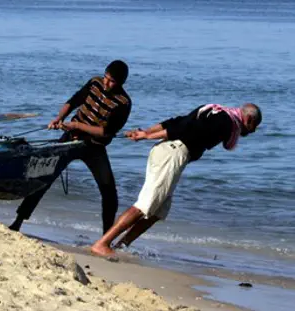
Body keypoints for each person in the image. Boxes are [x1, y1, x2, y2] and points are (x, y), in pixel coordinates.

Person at [90, 103, 262, 258]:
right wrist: (146, 136)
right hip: (173, 153)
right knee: (145, 205)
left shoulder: (215, 111)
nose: (253, 132)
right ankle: (102, 244)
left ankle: (121, 245)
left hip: (170, 152)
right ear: (248, 118)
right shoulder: (225, 122)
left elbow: (178, 121)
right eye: (254, 126)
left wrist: (147, 131)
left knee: (159, 210)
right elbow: (186, 130)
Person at [9, 60, 132, 233]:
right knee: (44, 178)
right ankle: (18, 221)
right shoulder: (95, 82)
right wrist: (59, 118)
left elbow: (105, 132)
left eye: (111, 81)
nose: (106, 83)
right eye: (106, 77)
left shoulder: (123, 103)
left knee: (108, 190)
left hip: (94, 147)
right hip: (70, 139)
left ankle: (106, 237)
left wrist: (77, 126)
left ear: (120, 83)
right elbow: (73, 102)